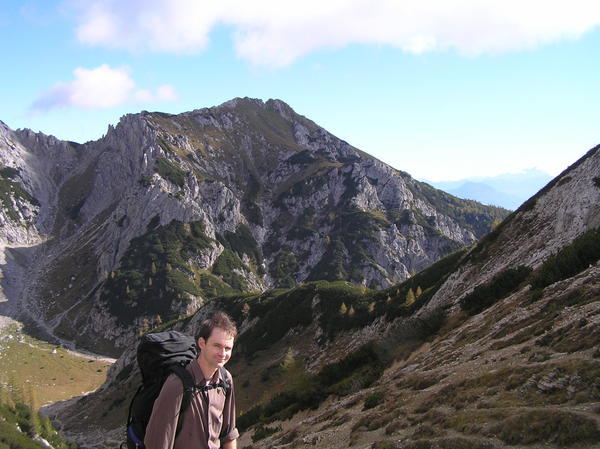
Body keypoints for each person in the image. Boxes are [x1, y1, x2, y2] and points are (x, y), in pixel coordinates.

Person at [144, 312, 239, 449]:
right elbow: (158, 443)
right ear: (202, 343)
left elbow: (228, 434)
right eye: (217, 346)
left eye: (228, 348)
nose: (223, 354)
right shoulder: (177, 384)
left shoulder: (225, 380)